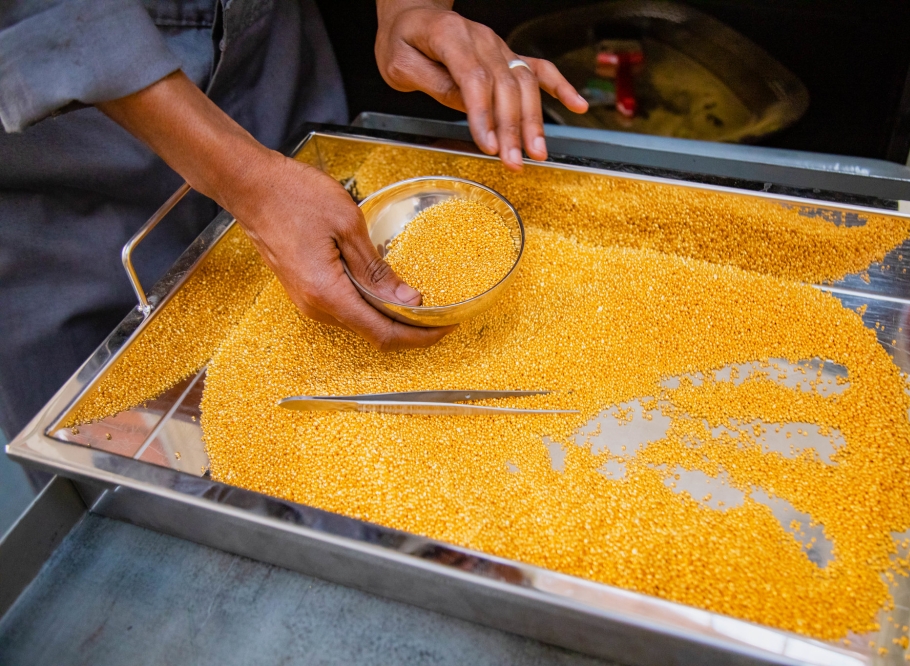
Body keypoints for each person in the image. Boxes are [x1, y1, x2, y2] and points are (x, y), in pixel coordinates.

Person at [0, 0, 588, 449]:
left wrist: (413, 9)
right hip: (79, 163)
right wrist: (249, 181)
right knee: (123, 443)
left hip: (268, 61)